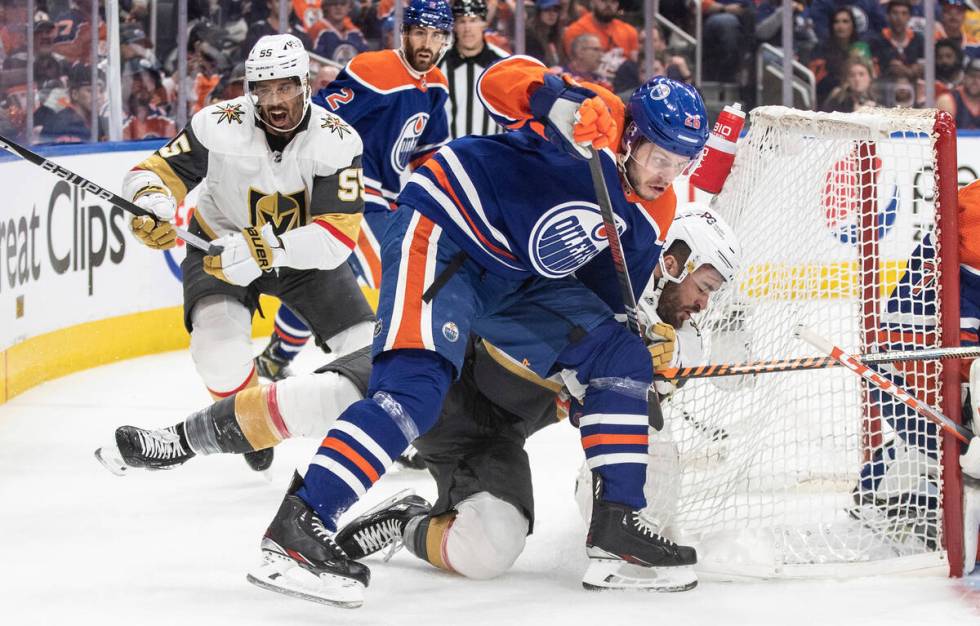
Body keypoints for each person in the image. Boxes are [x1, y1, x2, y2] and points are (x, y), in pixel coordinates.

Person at [245, 53, 710, 606]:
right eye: (660, 156)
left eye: (681, 163)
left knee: (619, 355)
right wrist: (554, 100)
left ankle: (616, 528)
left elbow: (604, 298)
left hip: (518, 279)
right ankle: (300, 525)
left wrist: (637, 358)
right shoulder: (599, 113)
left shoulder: (656, 211)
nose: (666, 174)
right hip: (448, 230)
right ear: (632, 137)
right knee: (414, 390)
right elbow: (496, 83)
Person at [96, 207, 739, 587]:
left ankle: (402, 521)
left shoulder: (639, 355)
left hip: (487, 436)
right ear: (672, 261)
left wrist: (627, 388)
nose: (703, 304)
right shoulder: (576, 264)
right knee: (322, 398)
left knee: (490, 552)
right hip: (439, 363)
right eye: (704, 285)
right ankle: (180, 440)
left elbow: (603, 464)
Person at [116, 34, 374, 471]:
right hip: (219, 245)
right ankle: (245, 419)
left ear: (306, 84)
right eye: (263, 88)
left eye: (286, 87)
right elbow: (152, 173)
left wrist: (263, 248)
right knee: (217, 356)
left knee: (369, 350)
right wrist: (152, 204)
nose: (275, 100)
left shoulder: (337, 140)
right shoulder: (216, 124)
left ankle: (397, 429)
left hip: (302, 254)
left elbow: (336, 238)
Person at [255, 0, 453, 381]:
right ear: (405, 33)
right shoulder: (374, 70)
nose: (427, 43)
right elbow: (319, 119)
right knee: (393, 274)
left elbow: (428, 152)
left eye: (436, 35)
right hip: (351, 192)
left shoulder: (437, 85)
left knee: (332, 276)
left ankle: (277, 355)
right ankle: (390, 373)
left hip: (387, 199)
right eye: (420, 33)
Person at [855, 179, 980, 575]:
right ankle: (915, 501)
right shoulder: (971, 223)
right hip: (925, 383)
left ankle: (903, 490)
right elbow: (960, 354)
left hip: (918, 377)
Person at [439, 0, 509, 139]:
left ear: (485, 23)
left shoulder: (504, 64)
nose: (467, 28)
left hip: (491, 156)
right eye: (462, 21)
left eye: (473, 20)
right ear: (454, 26)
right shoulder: (437, 64)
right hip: (447, 155)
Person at [562, 0, 638, 84]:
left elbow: (635, 65)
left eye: (613, 2)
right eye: (603, 1)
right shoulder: (575, 30)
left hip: (624, 83)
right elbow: (575, 65)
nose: (608, 5)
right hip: (587, 82)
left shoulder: (629, 31)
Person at [808, 7, 873, 104]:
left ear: (853, 25)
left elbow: (870, 75)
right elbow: (816, 81)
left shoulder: (861, 47)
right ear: (832, 25)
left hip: (860, 95)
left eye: (845, 21)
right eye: (836, 22)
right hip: (829, 97)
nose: (840, 26)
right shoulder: (821, 49)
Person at [865, 0, 924, 82]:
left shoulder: (919, 39)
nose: (899, 18)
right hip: (885, 88)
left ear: (909, 17)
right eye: (895, 13)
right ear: (887, 16)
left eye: (904, 13)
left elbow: (924, 68)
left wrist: (906, 71)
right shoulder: (876, 41)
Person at [313, 0, 370, 65]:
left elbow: (366, 57)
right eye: (334, 4)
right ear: (326, 7)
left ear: (350, 7)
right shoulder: (318, 29)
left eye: (343, 4)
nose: (338, 8)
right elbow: (315, 62)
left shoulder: (355, 32)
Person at [937, 56, 980, 129]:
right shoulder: (948, 100)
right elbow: (942, 135)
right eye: (972, 76)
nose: (975, 81)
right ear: (964, 77)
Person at [525, 0, 564, 68]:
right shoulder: (530, 36)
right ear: (538, 13)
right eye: (547, 10)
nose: (552, 14)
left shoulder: (555, 34)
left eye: (555, 10)